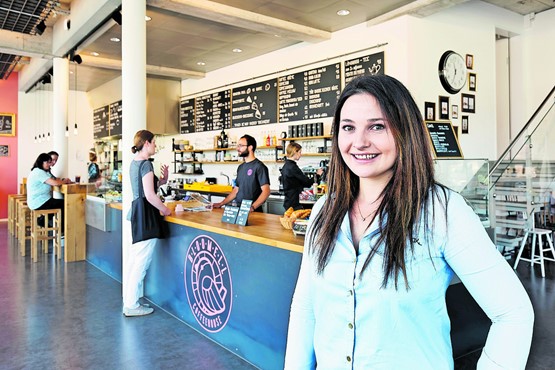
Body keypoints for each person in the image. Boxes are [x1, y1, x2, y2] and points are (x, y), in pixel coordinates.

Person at [284, 75, 534, 369]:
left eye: (377, 126)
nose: (359, 142)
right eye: (348, 127)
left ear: (405, 131)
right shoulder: (324, 211)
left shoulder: (442, 211)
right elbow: (306, 308)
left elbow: (514, 313)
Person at [123, 130, 171, 317]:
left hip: (137, 212)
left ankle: (129, 299)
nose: (156, 146)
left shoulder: (135, 163)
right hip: (146, 214)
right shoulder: (146, 165)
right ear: (147, 143)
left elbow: (145, 190)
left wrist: (163, 180)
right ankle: (132, 305)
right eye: (154, 142)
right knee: (141, 261)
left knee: (135, 259)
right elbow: (150, 196)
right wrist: (166, 210)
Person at [213, 134, 270, 212]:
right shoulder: (241, 167)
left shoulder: (259, 167)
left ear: (250, 147)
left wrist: (253, 207)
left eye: (240, 146)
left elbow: (266, 191)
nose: (237, 148)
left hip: (253, 211)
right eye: (237, 146)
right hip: (239, 209)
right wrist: (221, 203)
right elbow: (236, 190)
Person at [26, 153, 73, 227]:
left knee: (58, 203)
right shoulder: (39, 172)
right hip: (38, 202)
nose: (50, 164)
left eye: (50, 162)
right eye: (48, 162)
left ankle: (43, 220)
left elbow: (54, 179)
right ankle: (62, 231)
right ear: (41, 162)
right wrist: (64, 181)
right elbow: (55, 183)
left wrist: (62, 180)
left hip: (39, 201)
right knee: (65, 204)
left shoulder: (42, 171)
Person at [282, 142, 322, 210]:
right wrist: (318, 175)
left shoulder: (286, 166)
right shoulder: (292, 167)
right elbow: (307, 182)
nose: (301, 154)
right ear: (295, 152)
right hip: (294, 203)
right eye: (300, 152)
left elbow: (301, 183)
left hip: (289, 201)